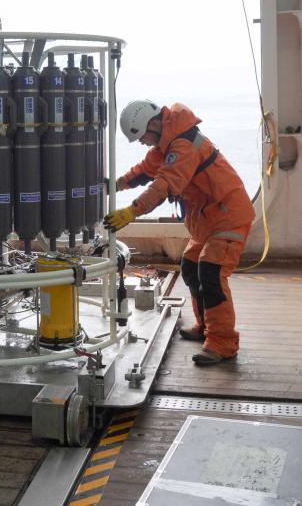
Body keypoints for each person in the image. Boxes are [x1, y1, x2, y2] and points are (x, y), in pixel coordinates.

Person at [105, 100, 255, 365]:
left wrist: (131, 212)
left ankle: (223, 342)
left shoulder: (183, 146)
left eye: (143, 137)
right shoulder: (167, 144)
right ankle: (206, 327)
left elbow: (164, 185)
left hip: (228, 215)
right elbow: (144, 172)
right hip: (208, 220)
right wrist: (113, 186)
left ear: (153, 124)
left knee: (211, 272)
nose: (143, 143)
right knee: (191, 267)